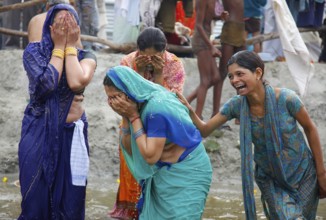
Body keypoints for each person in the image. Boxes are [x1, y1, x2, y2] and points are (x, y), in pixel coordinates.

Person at [177, 50, 326, 219]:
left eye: (240, 74)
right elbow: (205, 130)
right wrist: (189, 110)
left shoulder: (286, 99)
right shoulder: (236, 106)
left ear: (258, 73)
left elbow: (310, 128)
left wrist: (321, 174)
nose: (234, 80)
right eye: (231, 77)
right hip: (272, 179)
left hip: (304, 174)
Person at [18, 3, 97, 219]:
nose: (64, 26)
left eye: (69, 22)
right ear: (48, 26)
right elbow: (48, 83)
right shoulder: (33, 53)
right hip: (39, 134)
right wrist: (58, 48)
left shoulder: (87, 56)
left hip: (72, 137)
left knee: (71, 202)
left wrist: (68, 47)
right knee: (34, 201)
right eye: (59, 22)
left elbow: (75, 81)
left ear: (77, 27)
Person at [103, 65, 212, 219]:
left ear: (128, 92)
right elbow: (130, 149)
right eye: (110, 98)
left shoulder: (157, 108)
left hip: (188, 173)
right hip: (162, 175)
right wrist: (125, 115)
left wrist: (133, 117)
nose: (113, 103)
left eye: (116, 97)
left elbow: (150, 156)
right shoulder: (138, 103)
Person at [109, 26, 186, 219]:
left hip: (162, 131)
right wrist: (139, 71)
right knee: (132, 174)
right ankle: (131, 212)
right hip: (130, 125)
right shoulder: (127, 62)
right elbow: (123, 101)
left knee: (159, 177)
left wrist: (159, 76)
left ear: (164, 51)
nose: (150, 61)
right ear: (138, 51)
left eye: (155, 57)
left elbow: (167, 105)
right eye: (145, 56)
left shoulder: (174, 65)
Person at [186, 0, 228, 119]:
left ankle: (186, 101)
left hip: (206, 40)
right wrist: (212, 47)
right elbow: (199, 25)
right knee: (205, 80)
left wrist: (220, 17)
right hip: (201, 41)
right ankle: (197, 116)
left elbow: (208, 18)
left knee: (216, 77)